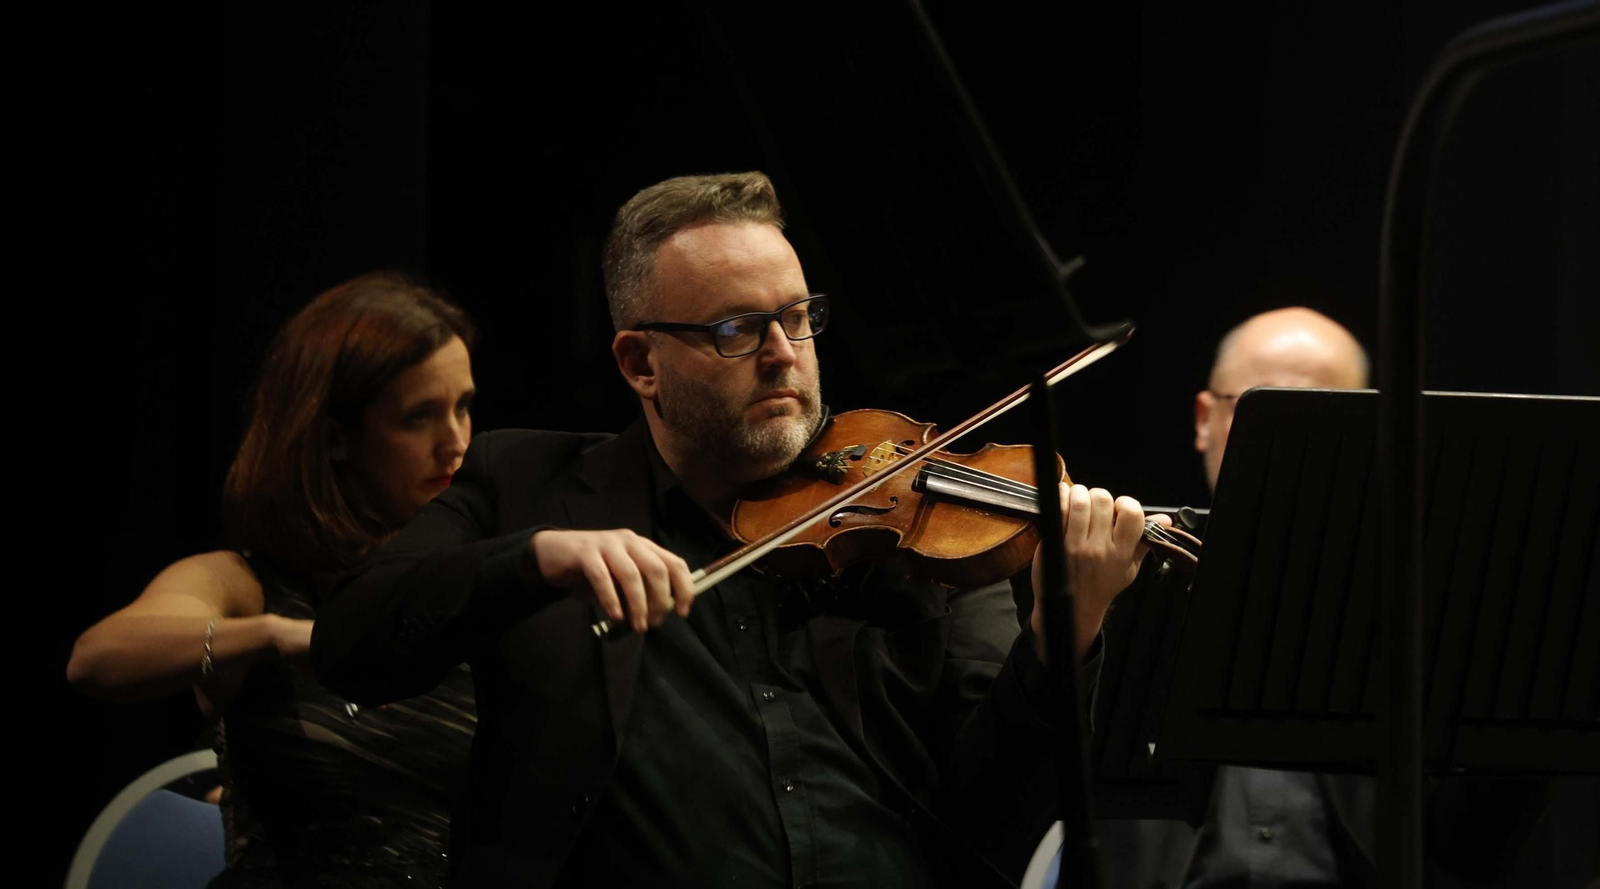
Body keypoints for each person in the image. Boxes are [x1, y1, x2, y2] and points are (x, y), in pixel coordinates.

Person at [311, 172, 1167, 888]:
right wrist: (534, 561)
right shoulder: (525, 485)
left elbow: (984, 822)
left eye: (798, 317)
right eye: (735, 330)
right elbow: (352, 640)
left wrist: (1062, 642)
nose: (785, 353)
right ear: (640, 362)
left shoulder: (924, 527)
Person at [1101, 306, 1561, 888]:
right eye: (1259, 406)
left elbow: (1475, 845)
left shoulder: (1420, 602)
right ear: (1203, 418)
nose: (1286, 441)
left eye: (1321, 414)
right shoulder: (1122, 575)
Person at [68, 272, 480, 888]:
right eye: (419, 417)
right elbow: (96, 660)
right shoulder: (245, 585)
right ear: (336, 439)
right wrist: (275, 637)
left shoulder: (471, 577)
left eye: (464, 406)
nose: (456, 443)